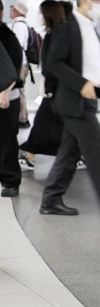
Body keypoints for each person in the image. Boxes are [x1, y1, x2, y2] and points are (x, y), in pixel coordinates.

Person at [40, 0, 100, 218]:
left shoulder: (89, 26)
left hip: (87, 99)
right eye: (98, 0)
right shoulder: (67, 24)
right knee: (95, 150)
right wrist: (82, 83)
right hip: (74, 100)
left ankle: (51, 200)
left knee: (69, 152)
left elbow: (81, 61)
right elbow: (53, 63)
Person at [19, 0, 86, 173]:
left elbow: (55, 64)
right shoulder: (57, 33)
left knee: (46, 123)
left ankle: (31, 154)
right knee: (56, 125)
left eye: (42, 13)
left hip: (59, 89)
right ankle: (74, 155)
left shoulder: (59, 33)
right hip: (58, 89)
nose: (40, 16)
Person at [0, 1, 22, 198]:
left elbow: (14, 69)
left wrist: (5, 91)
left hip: (6, 97)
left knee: (6, 141)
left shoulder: (9, 37)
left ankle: (10, 181)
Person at [9, 0, 30, 129]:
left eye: (12, 9)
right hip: (21, 63)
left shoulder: (19, 26)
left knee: (19, 91)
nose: (10, 11)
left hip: (19, 64)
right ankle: (22, 118)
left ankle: (22, 119)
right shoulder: (20, 25)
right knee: (20, 91)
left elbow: (16, 47)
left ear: (17, 11)